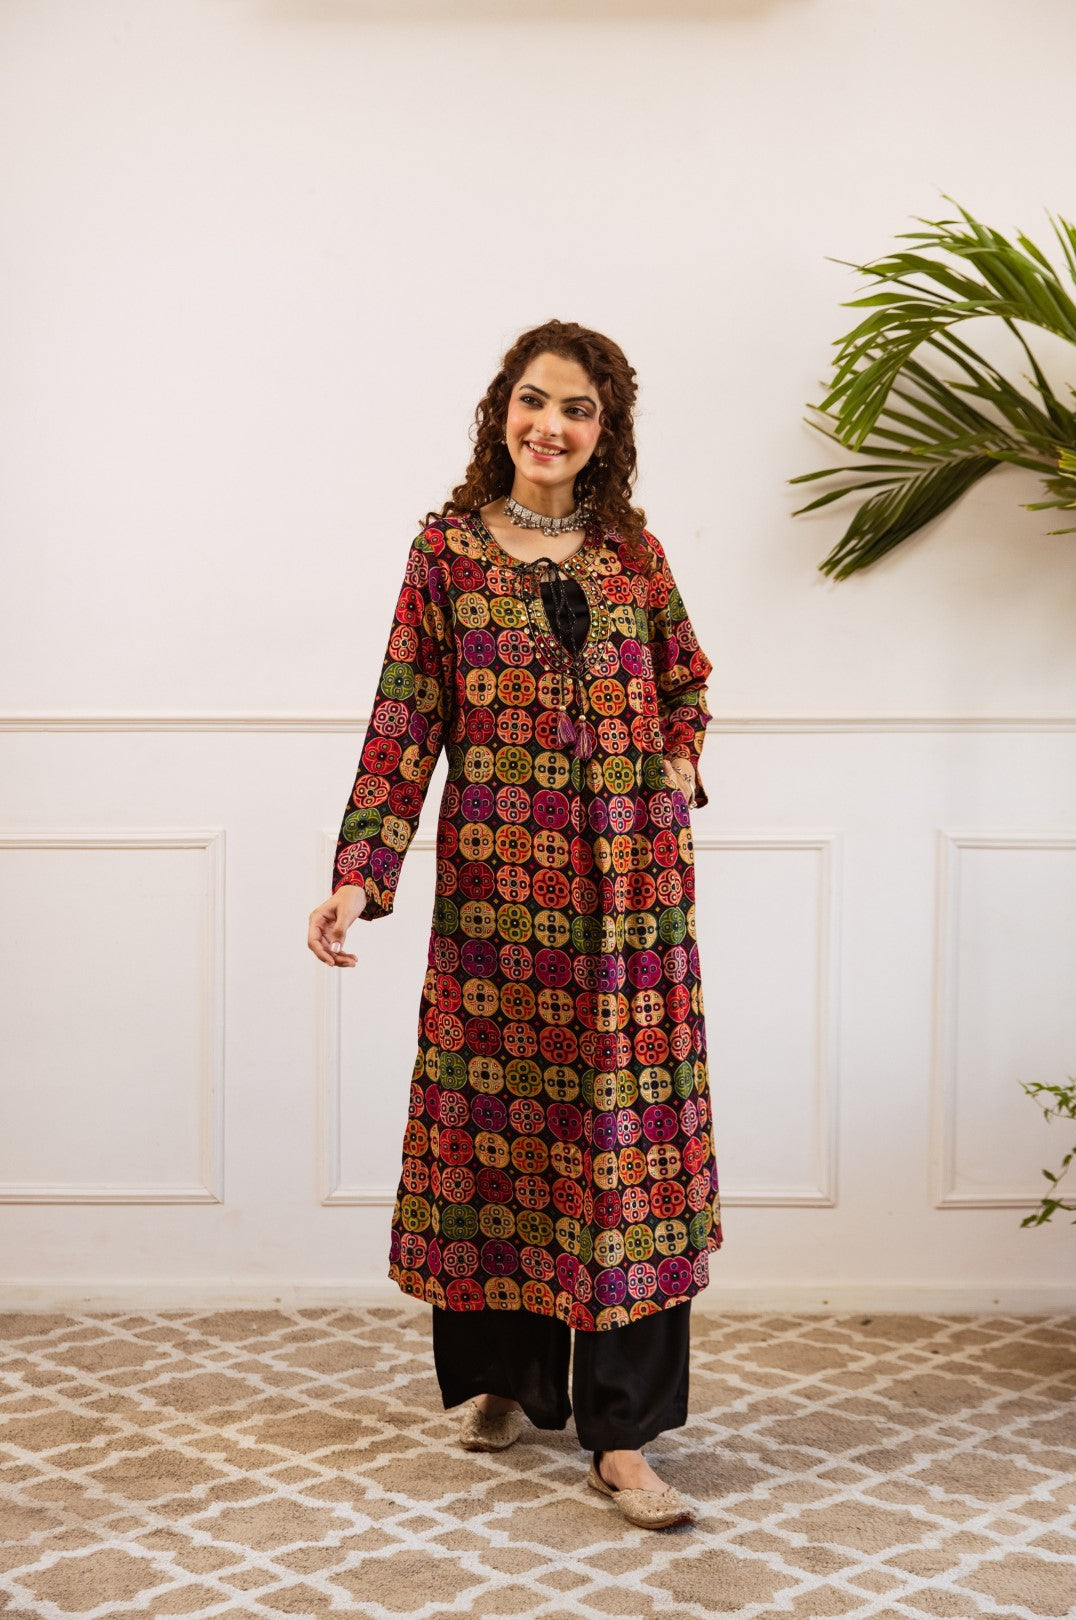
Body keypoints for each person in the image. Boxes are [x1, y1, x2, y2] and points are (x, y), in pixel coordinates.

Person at [308, 320, 722, 1530]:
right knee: (501, 1138)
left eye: (579, 409)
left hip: (634, 908)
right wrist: (360, 874)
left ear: (606, 431)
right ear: (503, 411)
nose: (552, 425)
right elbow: (406, 719)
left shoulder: (634, 554)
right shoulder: (444, 553)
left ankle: (623, 1438)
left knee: (632, 1152)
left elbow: (687, 679)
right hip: (499, 908)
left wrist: (675, 770)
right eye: (535, 401)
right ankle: (505, 1376)